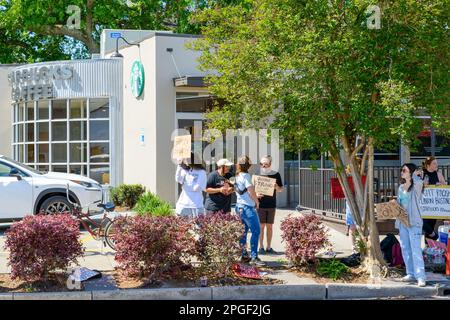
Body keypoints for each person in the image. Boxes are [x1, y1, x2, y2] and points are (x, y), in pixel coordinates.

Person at [392, 163, 427, 287]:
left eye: (404, 170)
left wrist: (415, 175)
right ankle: (411, 273)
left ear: (410, 173)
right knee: (405, 249)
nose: (402, 172)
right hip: (403, 222)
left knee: (416, 249)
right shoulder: (401, 187)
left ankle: (421, 276)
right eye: (401, 170)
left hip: (414, 223)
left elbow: (418, 181)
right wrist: (394, 203)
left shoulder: (417, 186)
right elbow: (400, 204)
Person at [234, 155, 263, 266]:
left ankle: (244, 254)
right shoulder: (246, 176)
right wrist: (257, 201)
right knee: (256, 231)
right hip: (247, 208)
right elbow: (250, 191)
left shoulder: (237, 176)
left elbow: (243, 192)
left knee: (243, 232)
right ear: (248, 165)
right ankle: (254, 257)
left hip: (239, 206)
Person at [255, 155, 283, 255]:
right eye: (261, 164)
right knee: (261, 226)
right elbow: (251, 190)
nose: (263, 166)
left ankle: (269, 247)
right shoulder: (257, 174)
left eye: (266, 164)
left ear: (270, 165)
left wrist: (276, 187)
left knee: (270, 226)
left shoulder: (276, 175)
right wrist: (256, 195)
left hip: (271, 204)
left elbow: (281, 189)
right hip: (260, 204)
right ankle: (261, 247)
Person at [421, 156, 447, 241]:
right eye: (434, 163)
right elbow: (416, 188)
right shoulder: (422, 174)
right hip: (423, 205)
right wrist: (423, 185)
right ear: (428, 165)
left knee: (431, 225)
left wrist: (441, 186)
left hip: (434, 205)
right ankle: (434, 236)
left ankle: (429, 248)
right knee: (423, 223)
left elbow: (445, 189)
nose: (437, 165)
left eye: (437, 163)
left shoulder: (438, 174)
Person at [175, 152, 207, 217]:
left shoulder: (201, 172)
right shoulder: (186, 170)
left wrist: (185, 186)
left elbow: (196, 188)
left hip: (196, 204)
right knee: (182, 225)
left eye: (185, 159)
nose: (184, 161)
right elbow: (178, 179)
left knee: (197, 225)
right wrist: (179, 166)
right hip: (183, 203)